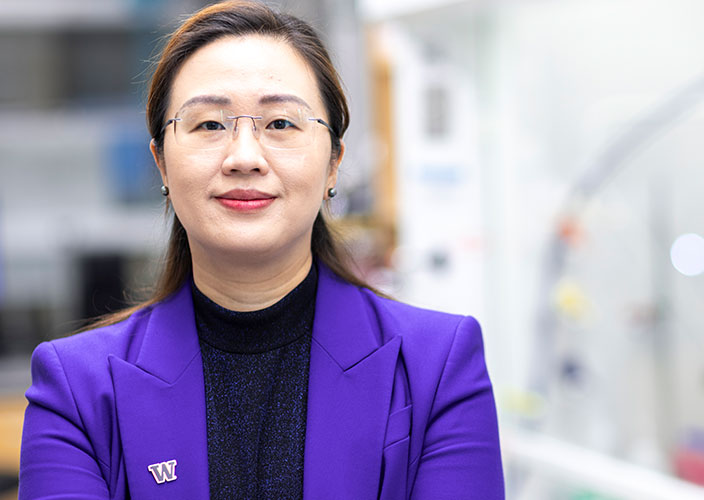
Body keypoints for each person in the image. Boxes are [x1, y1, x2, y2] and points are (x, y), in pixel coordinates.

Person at [18, 1, 504, 498]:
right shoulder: (75, 388)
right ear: (161, 163)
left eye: (280, 124)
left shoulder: (438, 367)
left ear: (334, 162)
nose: (244, 158)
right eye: (209, 125)